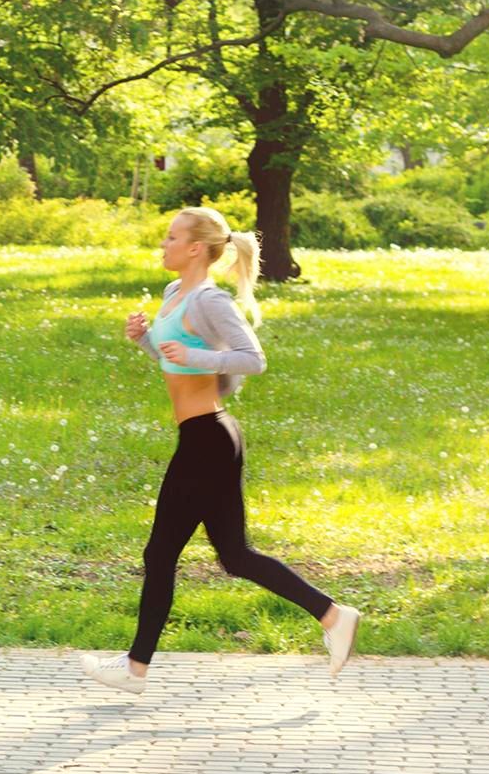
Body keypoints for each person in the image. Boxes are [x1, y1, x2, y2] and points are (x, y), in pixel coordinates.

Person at [80, 206, 361, 694]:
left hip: (207, 439)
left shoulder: (209, 300)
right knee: (234, 555)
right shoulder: (174, 294)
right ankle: (334, 616)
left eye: (171, 238)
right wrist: (146, 340)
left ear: (194, 249)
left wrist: (196, 356)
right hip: (204, 436)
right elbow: (179, 364)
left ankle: (134, 669)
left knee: (161, 552)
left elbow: (252, 359)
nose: (163, 245)